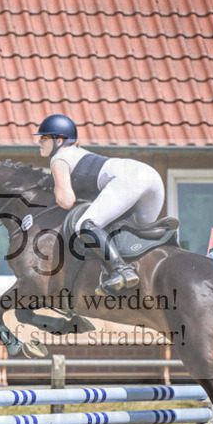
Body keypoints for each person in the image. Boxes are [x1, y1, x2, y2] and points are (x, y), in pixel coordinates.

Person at [35, 114, 165, 296]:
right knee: (131, 235)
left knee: (84, 225)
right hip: (152, 179)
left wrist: (54, 185)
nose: (39, 141)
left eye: (44, 137)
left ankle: (121, 270)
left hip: (131, 179)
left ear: (60, 140)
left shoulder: (58, 159)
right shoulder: (78, 153)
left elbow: (66, 201)